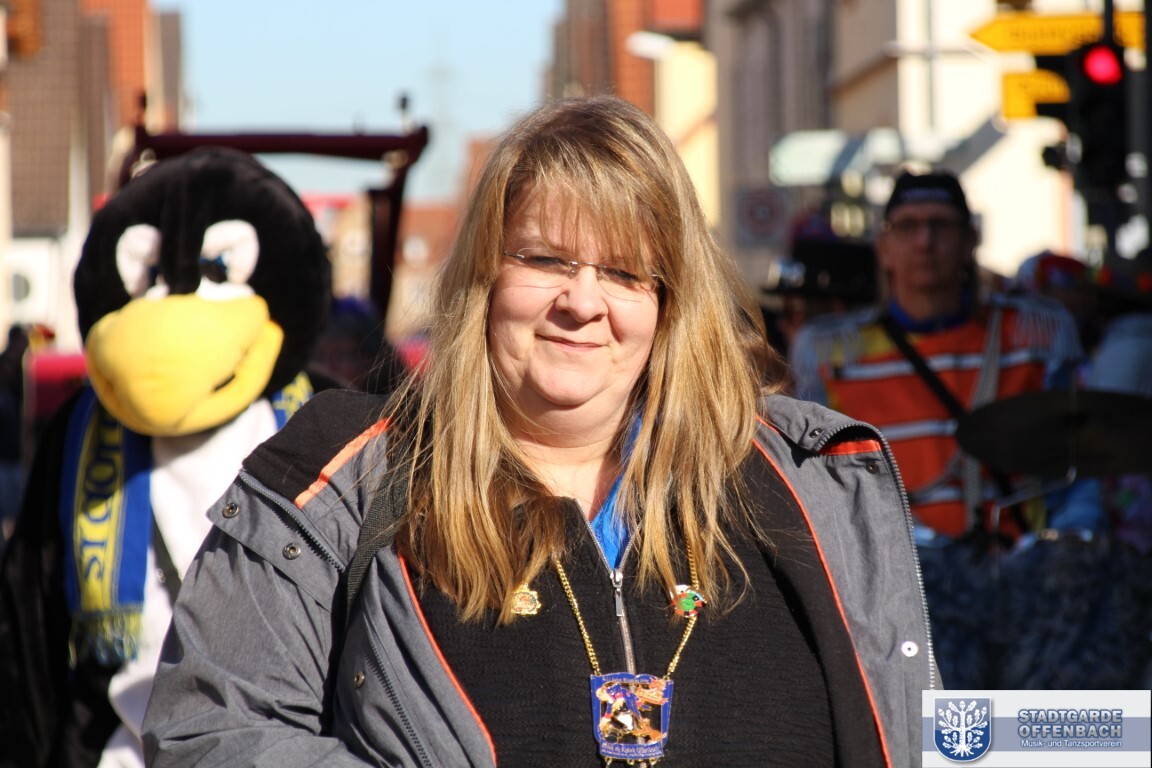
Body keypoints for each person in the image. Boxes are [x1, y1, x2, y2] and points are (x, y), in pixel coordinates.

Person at [142, 96, 934, 767]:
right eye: (546, 260)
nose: (582, 302)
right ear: (485, 277)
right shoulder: (339, 480)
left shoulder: (808, 481)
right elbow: (211, 733)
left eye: (624, 272)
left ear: (670, 303)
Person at [789, 169, 1107, 689]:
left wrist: (1069, 546)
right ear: (884, 248)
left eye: (940, 225)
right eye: (907, 226)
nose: (925, 241)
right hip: (901, 590)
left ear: (970, 240)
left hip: (1024, 586)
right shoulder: (831, 352)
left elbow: (1077, 466)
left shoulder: (1037, 332)